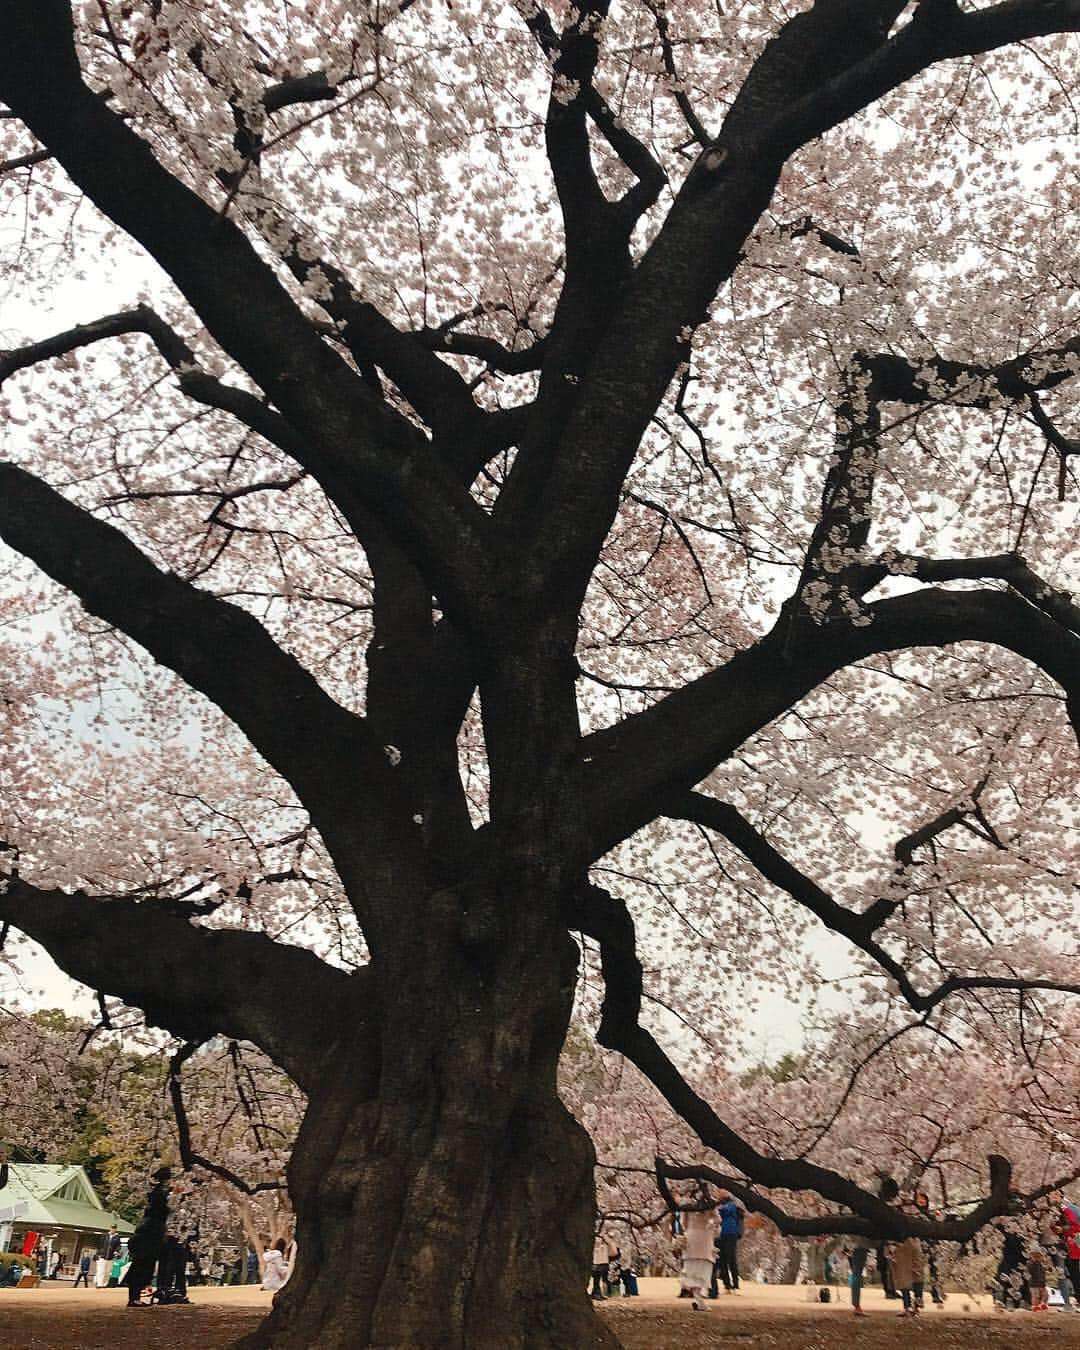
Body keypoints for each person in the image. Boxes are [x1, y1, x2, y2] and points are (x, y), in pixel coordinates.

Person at [124, 1165, 171, 1307]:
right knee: (142, 1266)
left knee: (142, 1266)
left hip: (147, 1234)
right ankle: (134, 1298)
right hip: (149, 1236)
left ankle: (135, 1297)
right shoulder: (160, 1195)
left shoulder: (156, 1194)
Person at [714, 1190, 741, 1294]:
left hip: (730, 1234)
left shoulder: (731, 1205)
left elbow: (725, 1211)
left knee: (731, 1258)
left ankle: (735, 1285)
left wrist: (717, 1209)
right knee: (722, 1261)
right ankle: (727, 1285)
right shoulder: (717, 1205)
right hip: (719, 1235)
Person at [846, 1242, 870, 1318]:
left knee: (856, 1276)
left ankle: (856, 1305)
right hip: (859, 1250)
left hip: (856, 1249)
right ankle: (857, 1306)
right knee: (856, 1277)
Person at [1030, 1247, 1049, 1312]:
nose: (1037, 1258)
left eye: (1038, 1257)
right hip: (1034, 1284)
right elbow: (1030, 1271)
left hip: (1042, 1283)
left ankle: (1043, 1304)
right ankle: (1035, 1306)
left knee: (1046, 1295)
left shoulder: (1041, 1264)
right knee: (1036, 1296)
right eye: (1035, 1257)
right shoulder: (1031, 1264)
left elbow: (1046, 1271)